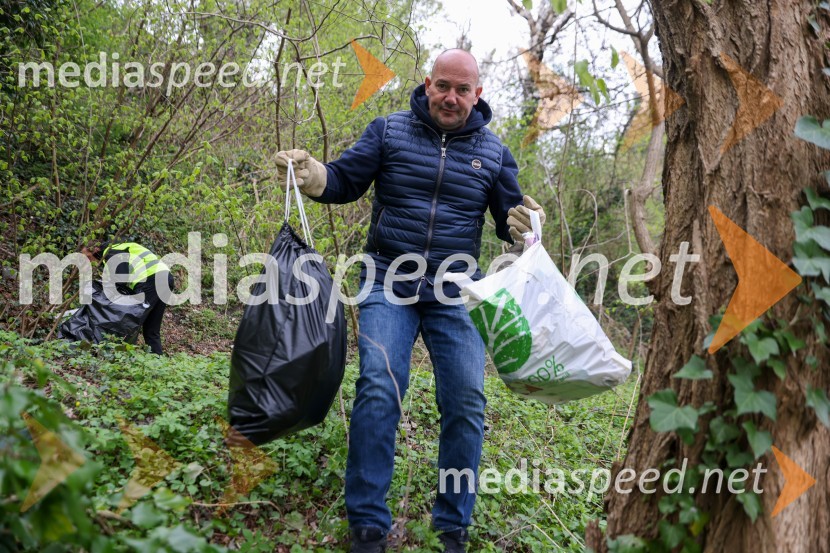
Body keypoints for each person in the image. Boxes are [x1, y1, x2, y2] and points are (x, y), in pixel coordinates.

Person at [275, 49, 546, 553]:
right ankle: (368, 525)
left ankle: (452, 526)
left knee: (467, 399)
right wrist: (312, 174)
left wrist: (523, 225)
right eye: (443, 85)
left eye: (463, 90)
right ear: (427, 84)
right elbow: (344, 181)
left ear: (477, 95)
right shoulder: (388, 131)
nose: (451, 97)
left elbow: (510, 214)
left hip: (456, 290)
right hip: (386, 279)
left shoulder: (492, 151)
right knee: (379, 385)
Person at [81, 241, 173, 355]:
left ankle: (122, 357)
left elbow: (121, 280)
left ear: (95, 250)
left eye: (88, 257)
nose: (88, 262)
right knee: (151, 328)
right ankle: (157, 362)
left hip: (151, 280)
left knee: (130, 322)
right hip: (165, 278)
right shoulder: (117, 248)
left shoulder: (111, 252)